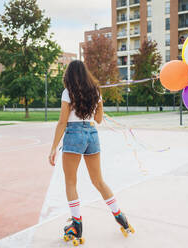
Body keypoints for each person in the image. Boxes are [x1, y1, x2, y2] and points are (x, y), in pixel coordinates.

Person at [49, 60, 134, 245]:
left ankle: (76, 225)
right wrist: (96, 105)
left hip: (74, 135)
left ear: (69, 75)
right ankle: (120, 217)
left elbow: (63, 122)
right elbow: (99, 119)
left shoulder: (68, 92)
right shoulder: (96, 91)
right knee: (98, 181)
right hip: (92, 134)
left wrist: (53, 147)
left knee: (71, 182)